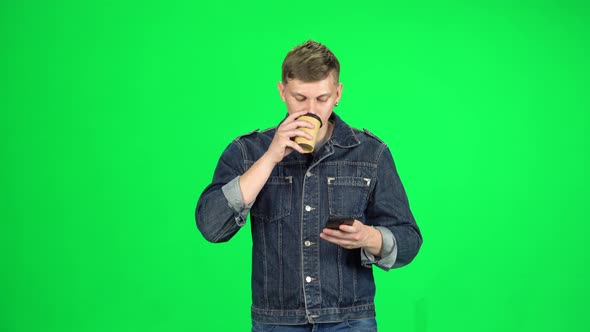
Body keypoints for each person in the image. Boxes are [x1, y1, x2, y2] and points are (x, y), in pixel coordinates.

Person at [196, 40, 422, 331]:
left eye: (322, 98)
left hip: (350, 320)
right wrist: (270, 158)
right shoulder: (248, 152)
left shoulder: (370, 153)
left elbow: (409, 240)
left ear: (338, 94)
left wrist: (369, 238)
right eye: (300, 98)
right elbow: (211, 227)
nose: (311, 110)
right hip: (276, 322)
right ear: (282, 92)